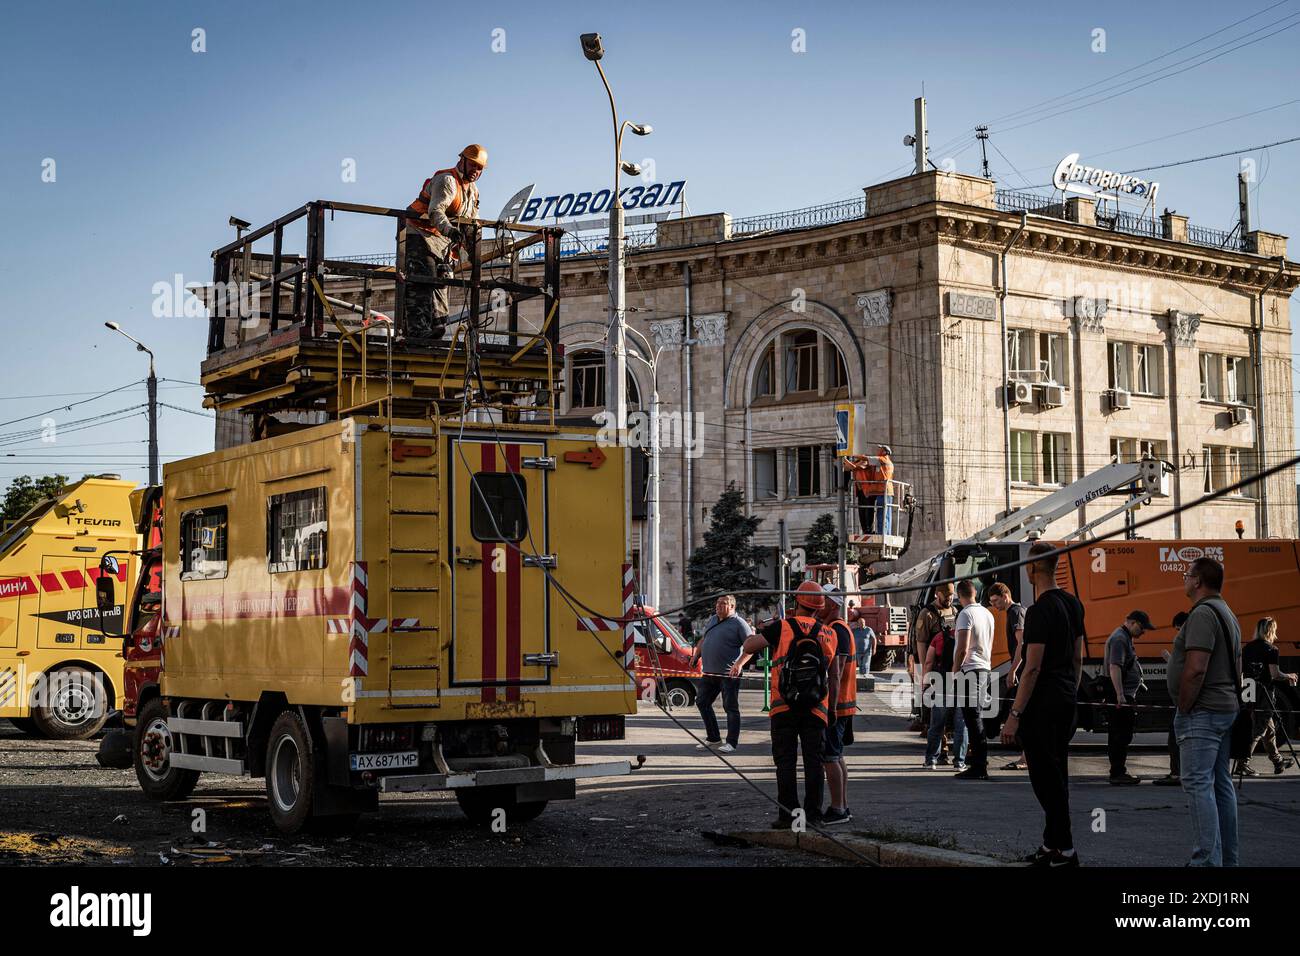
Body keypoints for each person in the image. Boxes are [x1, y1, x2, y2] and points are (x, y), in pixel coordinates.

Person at [1001, 541, 1085, 867]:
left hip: (1043, 704)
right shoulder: (1074, 605)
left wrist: (1014, 715)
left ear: (1033, 569)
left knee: (1045, 779)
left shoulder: (1038, 611)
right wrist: (1070, 692)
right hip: (1066, 700)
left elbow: (1032, 667)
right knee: (1057, 773)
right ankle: (1052, 845)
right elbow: (1077, 658)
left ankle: (1064, 850)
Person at [732, 580, 837, 829]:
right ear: (819, 608)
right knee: (814, 763)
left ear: (796, 602)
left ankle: (788, 817)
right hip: (817, 708)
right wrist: (831, 709)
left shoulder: (782, 627)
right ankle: (813, 817)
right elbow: (834, 674)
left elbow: (748, 646)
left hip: (784, 707)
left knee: (786, 763)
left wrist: (762, 631)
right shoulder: (829, 634)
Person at [1167, 556, 1242, 867]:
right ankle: (1227, 860)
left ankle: (1206, 862)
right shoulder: (1227, 613)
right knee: (1220, 784)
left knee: (1198, 784)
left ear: (1197, 581)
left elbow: (1196, 668)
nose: (1184, 579)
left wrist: (1185, 705)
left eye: (1187, 574)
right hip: (1223, 708)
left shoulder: (1202, 614)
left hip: (1203, 711)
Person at [402, 144, 486, 341]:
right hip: (418, 233)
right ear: (462, 161)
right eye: (472, 165)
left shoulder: (473, 191)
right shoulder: (447, 180)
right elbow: (435, 211)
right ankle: (418, 332)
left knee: (443, 279)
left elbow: (473, 222)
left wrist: (476, 253)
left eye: (479, 168)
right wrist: (450, 231)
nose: (475, 171)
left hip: (441, 241)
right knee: (423, 279)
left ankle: (437, 327)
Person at [688, 595, 752, 754]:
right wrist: (697, 655)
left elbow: (751, 647)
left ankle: (731, 742)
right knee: (702, 702)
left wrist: (739, 664)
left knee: (730, 707)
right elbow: (704, 639)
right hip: (709, 673)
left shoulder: (739, 624)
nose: (718, 606)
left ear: (732, 606)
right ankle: (713, 738)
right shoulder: (713, 620)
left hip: (728, 675)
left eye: (722, 604)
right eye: (717, 603)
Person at [1236, 617, 1296, 776]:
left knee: (1268, 729)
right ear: (1271, 630)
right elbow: (1275, 674)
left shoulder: (1247, 648)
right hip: (1264, 694)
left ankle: (1277, 761)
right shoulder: (1271, 649)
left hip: (1248, 691)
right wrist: (1289, 675)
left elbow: (1240, 671)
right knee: (1259, 729)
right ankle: (1243, 763)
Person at [817, 585, 856, 825]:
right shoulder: (841, 628)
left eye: (822, 601)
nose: (819, 606)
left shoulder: (836, 630)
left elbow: (837, 671)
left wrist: (829, 706)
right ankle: (843, 805)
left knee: (829, 757)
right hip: (844, 703)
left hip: (837, 705)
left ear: (832, 604)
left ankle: (838, 808)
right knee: (837, 756)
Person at [953, 580, 996, 780]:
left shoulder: (965, 614)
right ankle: (978, 762)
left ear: (960, 596)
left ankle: (979, 766)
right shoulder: (987, 613)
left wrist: (955, 670)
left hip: (970, 670)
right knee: (976, 717)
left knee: (972, 718)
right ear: (975, 593)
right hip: (985, 668)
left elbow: (962, 647)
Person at [1105, 610, 1152, 785]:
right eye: (1142, 627)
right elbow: (1115, 667)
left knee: (1122, 734)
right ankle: (1118, 772)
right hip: (1121, 696)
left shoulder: (1124, 637)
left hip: (1124, 694)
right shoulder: (1119, 638)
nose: (1143, 632)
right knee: (1120, 734)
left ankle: (1118, 771)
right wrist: (1120, 695)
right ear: (1131, 622)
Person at [987, 582, 1027, 771]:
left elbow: (1022, 643)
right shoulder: (1017, 611)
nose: (995, 606)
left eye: (996, 601)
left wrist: (1012, 671)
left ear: (1005, 596)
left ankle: (1025, 758)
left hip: (1022, 670)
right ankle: (1025, 757)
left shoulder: (1015, 613)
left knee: (1021, 712)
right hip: (1022, 669)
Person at [909, 583, 956, 744]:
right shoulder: (927, 614)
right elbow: (921, 643)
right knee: (934, 710)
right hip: (934, 668)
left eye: (951, 595)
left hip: (950, 668)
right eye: (946, 595)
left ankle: (947, 737)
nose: (949, 598)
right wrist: (924, 672)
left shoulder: (954, 611)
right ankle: (938, 745)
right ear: (937, 594)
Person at [922, 607, 967, 770]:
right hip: (962, 680)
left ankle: (931, 760)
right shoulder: (969, 638)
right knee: (961, 723)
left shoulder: (939, 637)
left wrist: (925, 683)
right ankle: (959, 762)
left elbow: (928, 662)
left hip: (941, 682)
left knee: (937, 723)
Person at [1154, 611, 1190, 787]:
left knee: (1176, 737)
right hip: (1181, 700)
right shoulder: (1186, 641)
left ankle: (1178, 773)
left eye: (1178, 628)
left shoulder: (1191, 641)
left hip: (1185, 700)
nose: (1177, 632)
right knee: (1175, 736)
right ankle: (1178, 772)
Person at [845, 444, 895, 535]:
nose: (878, 450)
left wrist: (851, 454)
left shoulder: (881, 460)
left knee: (883, 514)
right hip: (881, 491)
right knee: (882, 513)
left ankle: (883, 533)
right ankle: (882, 533)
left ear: (884, 451)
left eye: (880, 449)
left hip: (882, 490)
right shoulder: (882, 461)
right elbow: (850, 467)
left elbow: (865, 460)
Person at [847, 600, 877, 676]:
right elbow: (849, 636)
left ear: (865, 623)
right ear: (858, 624)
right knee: (860, 666)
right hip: (858, 651)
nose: (862, 624)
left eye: (863, 623)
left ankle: (866, 678)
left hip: (867, 651)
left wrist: (874, 649)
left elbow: (874, 639)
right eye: (860, 623)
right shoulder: (855, 631)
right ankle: (862, 680)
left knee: (866, 665)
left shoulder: (869, 630)